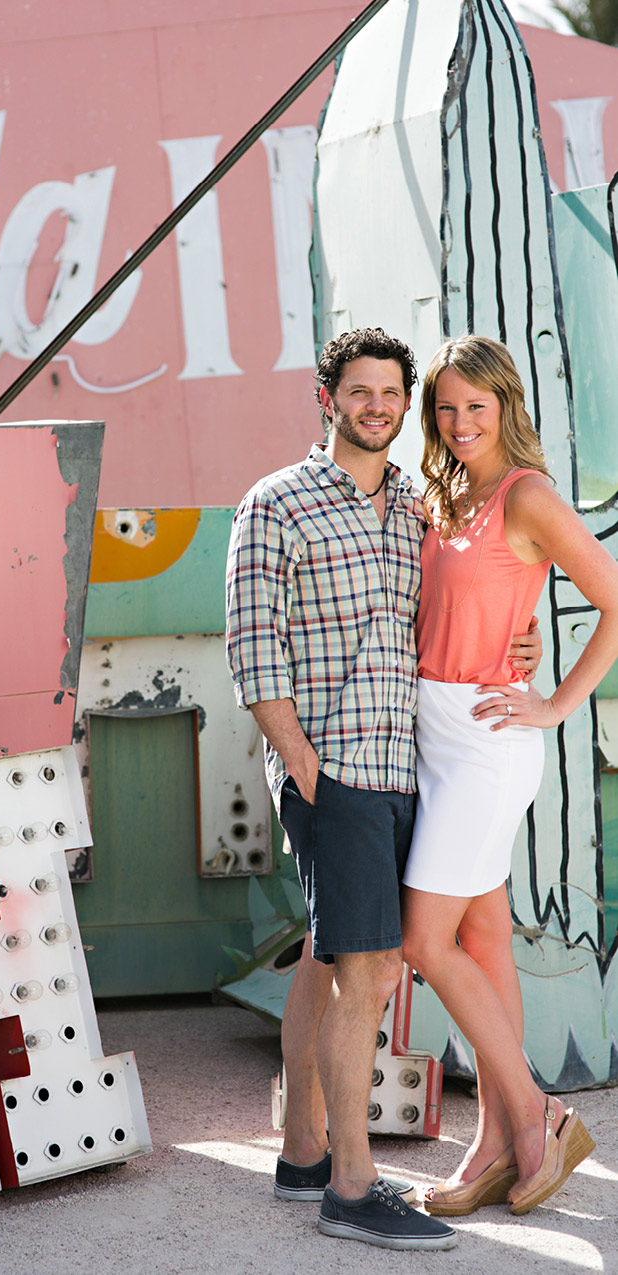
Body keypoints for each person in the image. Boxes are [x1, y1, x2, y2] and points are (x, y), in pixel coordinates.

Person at [225, 328, 541, 1251]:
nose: (378, 406)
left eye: (392, 394)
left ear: (407, 406)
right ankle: (354, 1189)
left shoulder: (418, 505)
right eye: (359, 391)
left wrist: (529, 651)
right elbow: (253, 651)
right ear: (328, 398)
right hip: (337, 773)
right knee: (370, 967)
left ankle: (302, 1157)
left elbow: (476, 600)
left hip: (411, 764)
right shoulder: (274, 503)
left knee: (334, 958)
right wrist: (308, 772)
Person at [400, 335, 616, 1215]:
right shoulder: (441, 491)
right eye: (445, 409)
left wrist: (556, 701)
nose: (459, 424)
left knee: (425, 942)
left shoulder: (527, 493)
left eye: (474, 408)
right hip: (432, 732)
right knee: (485, 942)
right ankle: (495, 1144)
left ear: (506, 407)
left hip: (489, 742)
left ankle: (536, 1113)